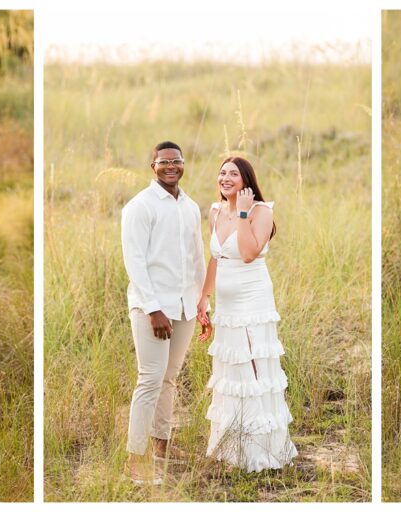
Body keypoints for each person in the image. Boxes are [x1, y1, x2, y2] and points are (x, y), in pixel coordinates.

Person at [196, 156, 297, 471]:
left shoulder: (260, 212)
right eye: (222, 172)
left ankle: (263, 450)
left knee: (254, 367)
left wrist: (241, 213)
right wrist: (204, 297)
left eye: (233, 174)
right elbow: (216, 257)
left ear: (246, 181)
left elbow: (250, 252)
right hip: (226, 304)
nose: (226, 178)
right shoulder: (215, 211)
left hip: (253, 301)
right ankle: (234, 447)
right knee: (231, 369)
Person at [121, 141, 207, 485]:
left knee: (169, 378)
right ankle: (135, 461)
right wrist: (154, 309)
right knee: (150, 379)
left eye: (177, 161)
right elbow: (135, 262)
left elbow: (197, 257)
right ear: (152, 165)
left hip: (186, 305)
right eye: (164, 162)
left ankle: (162, 448)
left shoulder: (190, 206)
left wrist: (204, 304)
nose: (171, 166)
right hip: (152, 307)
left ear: (183, 164)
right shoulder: (139, 207)